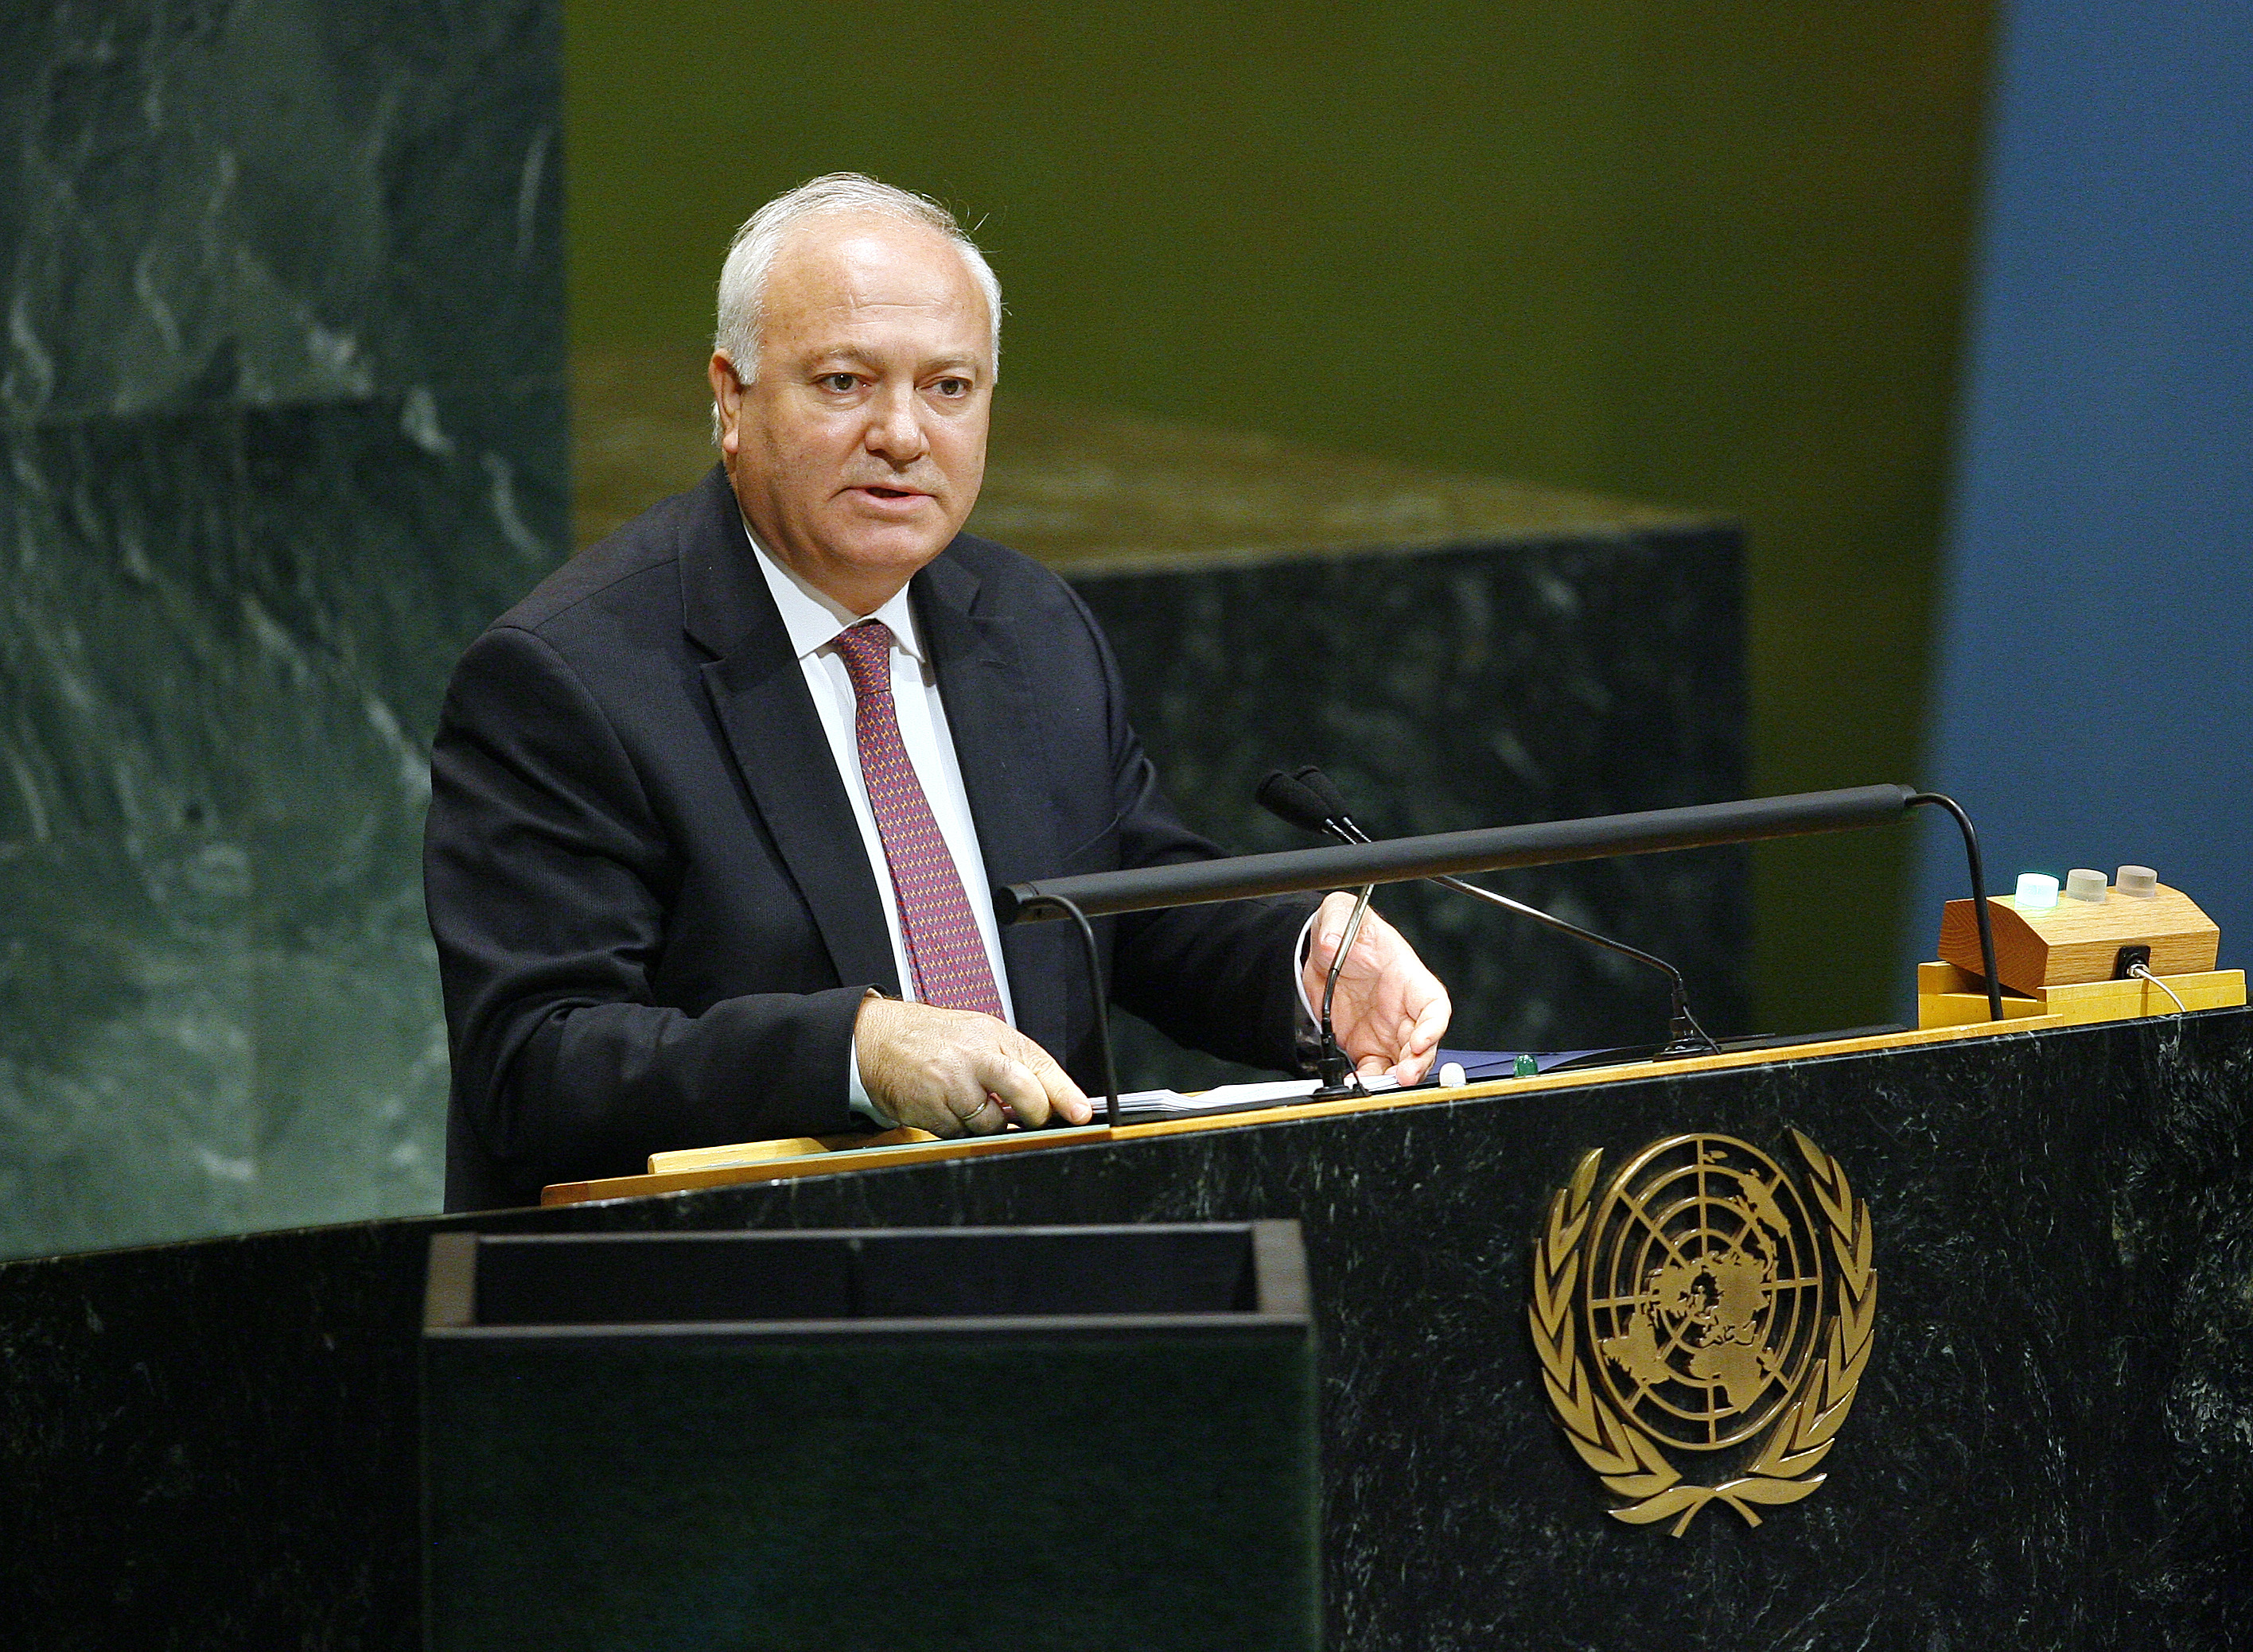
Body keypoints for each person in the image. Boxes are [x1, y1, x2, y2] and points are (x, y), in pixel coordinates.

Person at [425, 173, 1449, 1211]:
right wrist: (860, 1051)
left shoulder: (1030, 624)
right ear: (730, 400)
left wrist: (1304, 964)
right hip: (744, 1275)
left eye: (949, 388)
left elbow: (1129, 904)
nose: (904, 434)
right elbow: (537, 1061)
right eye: (844, 383)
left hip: (1045, 1247)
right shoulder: (568, 678)